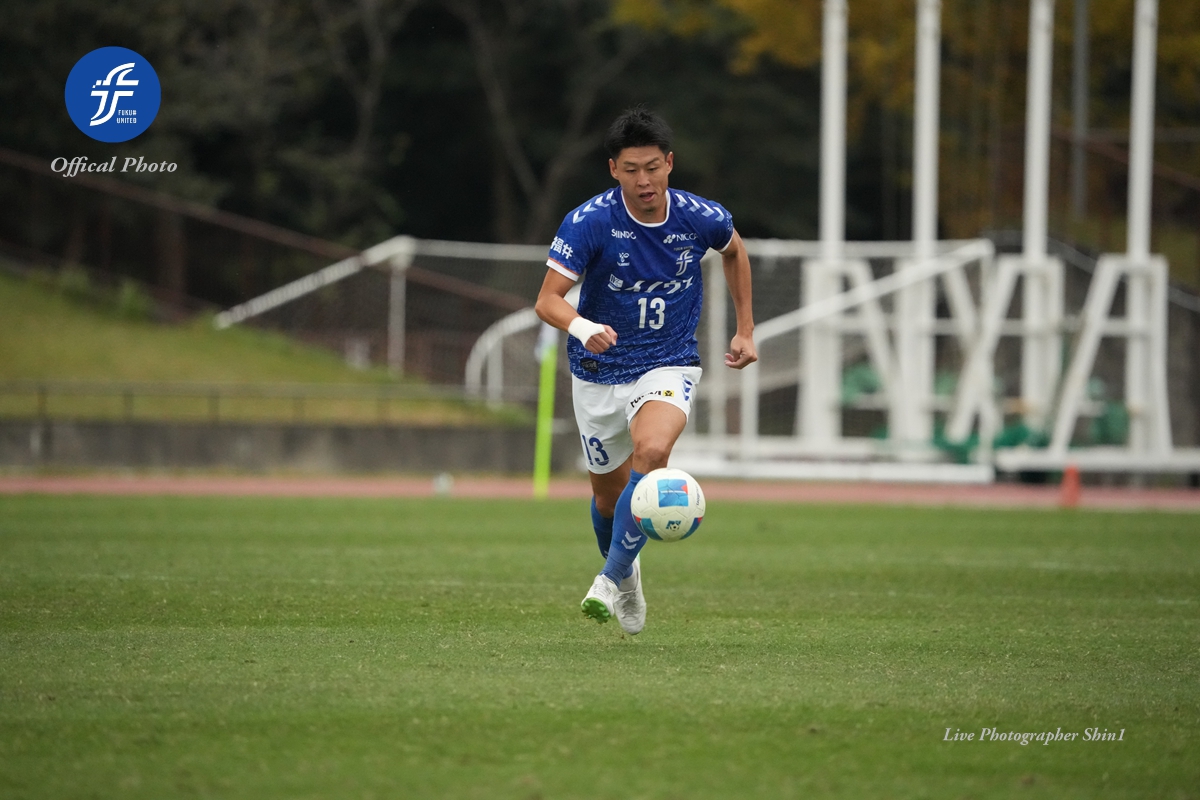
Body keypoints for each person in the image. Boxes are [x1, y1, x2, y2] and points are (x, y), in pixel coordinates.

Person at [535, 106, 756, 634]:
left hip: (666, 363)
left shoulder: (700, 216)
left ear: (670, 163)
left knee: (653, 451)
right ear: (614, 169)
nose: (644, 180)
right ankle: (630, 579)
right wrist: (583, 327)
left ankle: (608, 580)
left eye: (653, 167)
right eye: (631, 169)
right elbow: (547, 301)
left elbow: (734, 250)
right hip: (597, 369)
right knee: (607, 500)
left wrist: (746, 328)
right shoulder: (590, 222)